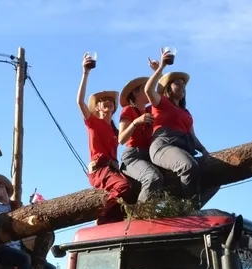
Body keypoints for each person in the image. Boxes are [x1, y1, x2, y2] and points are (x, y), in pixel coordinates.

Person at [144, 51, 211, 202]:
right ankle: (189, 207)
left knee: (212, 175)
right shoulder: (161, 102)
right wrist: (161, 67)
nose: (182, 87)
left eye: (184, 85)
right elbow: (148, 90)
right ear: (168, 87)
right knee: (188, 166)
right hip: (163, 146)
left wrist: (204, 151)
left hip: (184, 147)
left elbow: (192, 136)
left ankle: (189, 206)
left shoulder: (186, 113)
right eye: (177, 84)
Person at [77, 53, 132, 224]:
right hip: (99, 170)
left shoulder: (115, 130)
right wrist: (85, 73)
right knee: (123, 186)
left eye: (111, 101)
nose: (108, 102)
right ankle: (100, 213)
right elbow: (79, 102)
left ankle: (108, 222)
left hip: (112, 170)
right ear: (97, 107)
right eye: (103, 100)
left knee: (128, 196)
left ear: (114, 107)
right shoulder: (93, 123)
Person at [118, 68, 165, 203]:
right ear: (135, 93)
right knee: (152, 177)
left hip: (150, 155)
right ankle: (142, 212)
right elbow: (121, 139)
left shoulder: (151, 109)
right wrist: (136, 122)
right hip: (133, 156)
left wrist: (158, 71)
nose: (149, 90)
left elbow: (163, 95)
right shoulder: (128, 110)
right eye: (145, 88)